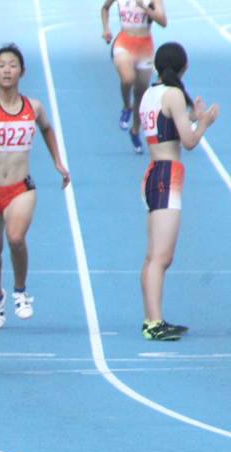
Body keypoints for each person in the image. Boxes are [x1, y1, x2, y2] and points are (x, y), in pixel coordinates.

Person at [0, 44, 69, 330]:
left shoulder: (33, 106)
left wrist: (57, 162)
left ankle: (19, 291)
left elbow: (47, 129)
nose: (7, 69)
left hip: (20, 189)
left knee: (15, 239)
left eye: (13, 65)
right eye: (1, 64)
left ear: (22, 71)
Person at [138, 42, 218, 340]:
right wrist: (204, 123)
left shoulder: (151, 93)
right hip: (166, 175)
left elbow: (165, 131)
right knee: (162, 257)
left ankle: (151, 318)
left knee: (152, 256)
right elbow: (188, 141)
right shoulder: (173, 94)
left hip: (153, 172)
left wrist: (193, 117)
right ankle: (154, 322)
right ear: (183, 68)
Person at [101, 0, 167, 153]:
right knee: (128, 78)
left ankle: (135, 130)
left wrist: (144, 7)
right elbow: (105, 8)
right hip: (124, 43)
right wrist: (106, 28)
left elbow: (163, 22)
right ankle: (126, 107)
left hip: (144, 47)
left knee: (140, 94)